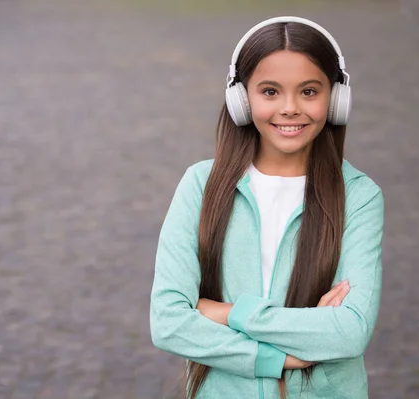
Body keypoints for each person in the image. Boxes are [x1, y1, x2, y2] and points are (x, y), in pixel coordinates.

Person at [150, 16, 385, 399]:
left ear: (336, 98)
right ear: (241, 99)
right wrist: (279, 357)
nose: (290, 108)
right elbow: (169, 322)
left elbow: (350, 331)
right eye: (270, 91)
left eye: (309, 91)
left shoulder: (359, 196)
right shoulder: (200, 185)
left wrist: (228, 313)